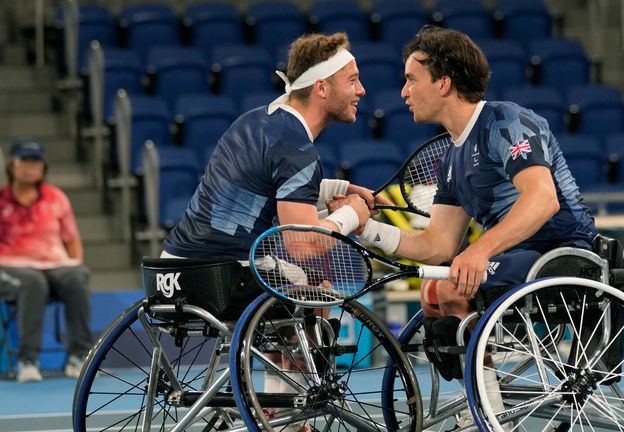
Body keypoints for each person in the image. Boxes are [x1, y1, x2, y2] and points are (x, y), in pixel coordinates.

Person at [340, 25, 597, 427]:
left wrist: (479, 250)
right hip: (519, 259)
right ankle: (488, 404)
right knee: (433, 294)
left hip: (563, 254)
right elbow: (437, 245)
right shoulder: (452, 159)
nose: (403, 92)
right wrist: (365, 228)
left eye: (411, 79)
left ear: (443, 83)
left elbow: (542, 199)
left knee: (449, 286)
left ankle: (492, 417)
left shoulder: (506, 121)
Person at [160, 32, 383, 432]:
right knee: (316, 280)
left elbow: (261, 188)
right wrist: (352, 215)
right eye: (352, 80)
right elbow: (301, 243)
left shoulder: (258, 120)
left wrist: (337, 190)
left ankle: (279, 408)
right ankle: (285, 413)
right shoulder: (297, 147)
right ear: (321, 87)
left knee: (293, 278)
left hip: (172, 271)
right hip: (224, 280)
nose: (361, 90)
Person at [0, 139, 93, 382]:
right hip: (9, 266)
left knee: (77, 277)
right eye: (25, 161)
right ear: (12, 165)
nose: (31, 167)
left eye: (36, 161)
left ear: (43, 167)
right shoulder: (2, 200)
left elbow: (72, 240)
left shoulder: (56, 198)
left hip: (53, 265)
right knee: (33, 283)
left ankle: (79, 355)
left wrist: (75, 266)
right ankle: (28, 360)